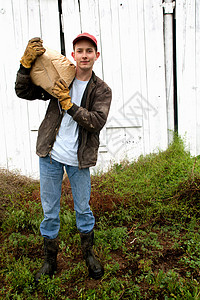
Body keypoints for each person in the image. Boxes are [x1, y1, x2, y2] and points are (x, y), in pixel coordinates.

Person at [15, 33, 112, 281]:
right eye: (80, 50)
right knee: (50, 211)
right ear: (73, 55)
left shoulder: (101, 90)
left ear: (96, 56)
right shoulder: (62, 78)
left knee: (83, 208)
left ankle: (88, 255)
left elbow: (96, 122)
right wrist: (24, 66)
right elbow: (23, 91)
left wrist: (70, 106)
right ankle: (50, 262)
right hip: (51, 154)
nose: (84, 55)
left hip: (78, 159)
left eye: (89, 51)